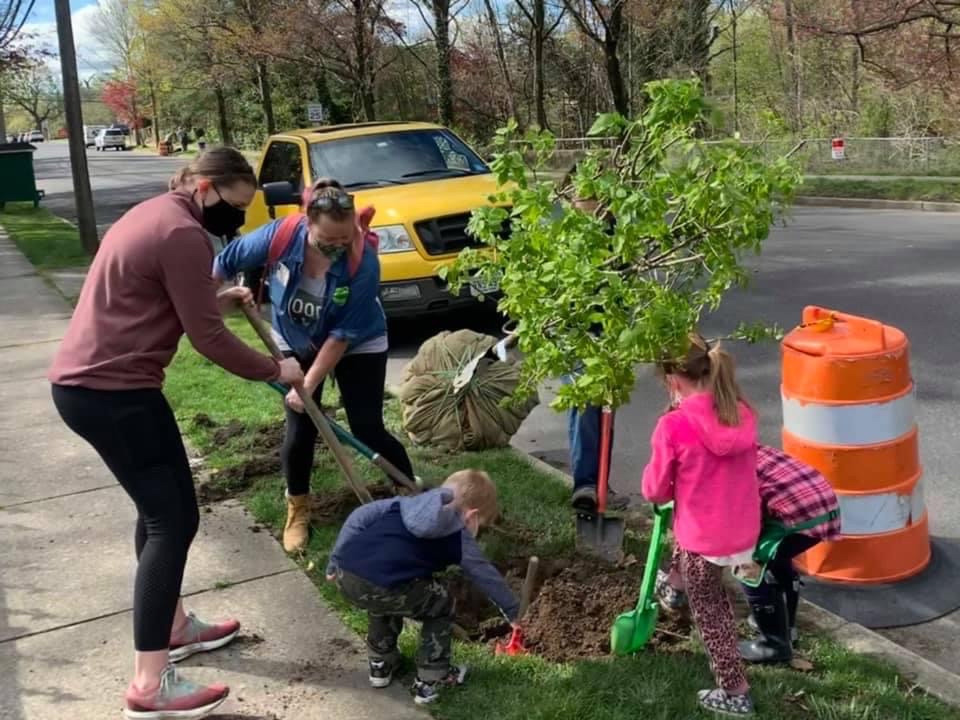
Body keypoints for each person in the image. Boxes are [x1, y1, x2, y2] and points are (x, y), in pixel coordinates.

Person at [48, 147, 305, 719]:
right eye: (233, 208)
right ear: (206, 187)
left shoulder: (155, 214)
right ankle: (148, 683)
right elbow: (209, 341)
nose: (235, 223)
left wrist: (215, 295)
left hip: (94, 386)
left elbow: (151, 292)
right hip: (112, 393)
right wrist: (277, 368)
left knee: (157, 510)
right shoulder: (182, 234)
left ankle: (176, 625)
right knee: (174, 519)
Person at [213, 177, 415, 553]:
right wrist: (206, 303)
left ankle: (409, 492)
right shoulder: (279, 235)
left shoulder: (364, 261)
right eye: (328, 241)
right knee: (300, 429)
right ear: (308, 223)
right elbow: (223, 263)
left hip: (358, 342)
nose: (338, 247)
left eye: (345, 239)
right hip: (294, 338)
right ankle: (298, 509)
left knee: (367, 427)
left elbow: (341, 336)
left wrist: (305, 382)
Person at [326, 469, 519, 705]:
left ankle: (381, 662)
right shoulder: (459, 534)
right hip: (384, 584)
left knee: (386, 593)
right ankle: (433, 677)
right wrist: (514, 612)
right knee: (443, 600)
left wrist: (334, 561)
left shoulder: (404, 505)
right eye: (482, 526)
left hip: (348, 575)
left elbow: (360, 516)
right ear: (471, 516)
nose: (477, 535)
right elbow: (484, 573)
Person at [642, 333, 760, 716]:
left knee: (712, 611)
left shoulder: (673, 426)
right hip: (742, 529)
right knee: (688, 541)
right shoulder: (739, 410)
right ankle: (674, 588)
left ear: (673, 380)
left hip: (704, 538)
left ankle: (735, 691)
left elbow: (657, 491)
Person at [657, 445, 840, 664]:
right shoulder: (735, 446)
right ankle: (786, 627)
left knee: (747, 567)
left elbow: (743, 515)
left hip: (797, 517)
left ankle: (773, 646)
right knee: (776, 561)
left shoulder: (720, 473)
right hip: (821, 505)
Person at [557, 164, 628, 513]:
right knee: (584, 405)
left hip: (612, 333)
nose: (590, 205)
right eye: (582, 196)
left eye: (596, 197)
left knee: (606, 410)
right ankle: (586, 484)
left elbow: (629, 283)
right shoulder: (562, 236)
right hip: (576, 334)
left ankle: (602, 484)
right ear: (570, 199)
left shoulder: (619, 235)